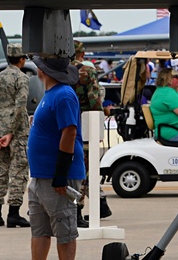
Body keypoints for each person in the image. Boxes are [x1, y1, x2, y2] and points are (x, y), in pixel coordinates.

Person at [27, 55, 85, 260]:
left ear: (45, 71)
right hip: (41, 176)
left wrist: (61, 173)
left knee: (64, 231)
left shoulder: (64, 95)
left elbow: (69, 132)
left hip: (57, 176)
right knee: (39, 230)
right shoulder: (50, 94)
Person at [0, 44, 31, 228]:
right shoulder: (22, 79)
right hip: (17, 133)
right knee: (18, 172)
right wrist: (11, 132)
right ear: (21, 59)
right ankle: (14, 214)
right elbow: (20, 107)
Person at [71, 40, 113, 227]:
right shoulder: (87, 72)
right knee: (84, 169)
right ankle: (78, 212)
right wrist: (100, 121)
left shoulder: (58, 71)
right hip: (85, 127)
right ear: (82, 54)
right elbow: (95, 101)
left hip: (65, 124)